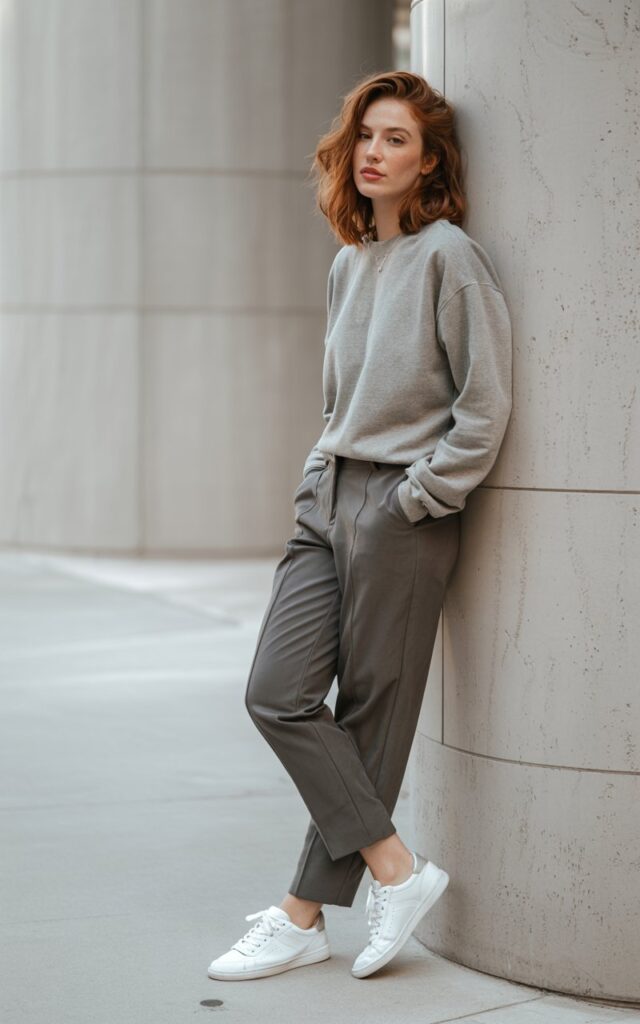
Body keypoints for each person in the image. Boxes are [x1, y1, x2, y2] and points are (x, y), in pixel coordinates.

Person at [208, 70, 513, 982]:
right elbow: (339, 398)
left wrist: (416, 498)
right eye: (367, 138)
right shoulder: (349, 263)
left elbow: (486, 405)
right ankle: (395, 869)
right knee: (277, 692)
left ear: (429, 166)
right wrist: (317, 482)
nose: (376, 153)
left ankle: (303, 915)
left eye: (398, 142)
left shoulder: (449, 257)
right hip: (329, 499)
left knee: (374, 717)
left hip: (401, 510)